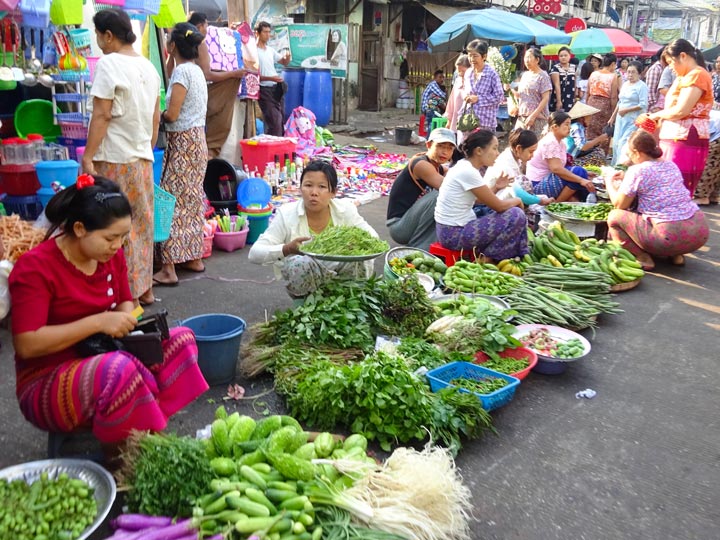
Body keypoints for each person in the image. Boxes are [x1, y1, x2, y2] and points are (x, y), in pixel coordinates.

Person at [7, 176, 209, 448]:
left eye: (123, 237)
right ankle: (137, 449)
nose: (118, 245)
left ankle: (145, 427)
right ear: (79, 229)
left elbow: (127, 304)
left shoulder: (110, 256)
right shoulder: (35, 268)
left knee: (182, 340)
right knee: (119, 370)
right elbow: (27, 343)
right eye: (110, 237)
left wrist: (130, 324)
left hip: (107, 353)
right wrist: (99, 322)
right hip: (47, 381)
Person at [83, 8, 161, 307]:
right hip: (142, 159)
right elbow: (155, 119)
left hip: (114, 158)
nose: (99, 43)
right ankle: (144, 289)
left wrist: (88, 156)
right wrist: (146, 147)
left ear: (109, 35)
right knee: (141, 226)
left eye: (99, 37)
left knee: (113, 229)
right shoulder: (149, 68)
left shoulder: (109, 64)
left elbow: (102, 114)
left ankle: (124, 294)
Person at [248, 161, 379, 298]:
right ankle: (305, 307)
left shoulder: (345, 210)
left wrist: (354, 243)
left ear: (333, 192)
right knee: (299, 263)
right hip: (307, 277)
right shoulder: (286, 214)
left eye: (322, 187)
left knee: (360, 259)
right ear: (300, 188)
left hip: (340, 275)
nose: (314, 193)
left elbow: (373, 239)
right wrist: (287, 249)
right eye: (308, 185)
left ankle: (352, 301)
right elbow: (254, 254)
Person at [153, 23, 209, 286]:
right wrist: (169, 59)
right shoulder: (196, 71)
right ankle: (193, 257)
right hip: (198, 140)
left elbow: (172, 114)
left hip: (182, 141)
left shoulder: (181, 74)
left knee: (170, 201)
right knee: (192, 198)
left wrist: (157, 116)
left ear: (173, 45)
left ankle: (168, 268)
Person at [605, 130, 709, 270]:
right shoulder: (670, 165)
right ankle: (677, 255)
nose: (630, 157)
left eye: (630, 154)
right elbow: (659, 185)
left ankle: (643, 258)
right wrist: (626, 177)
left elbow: (619, 205)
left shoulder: (637, 170)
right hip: (698, 233)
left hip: (668, 236)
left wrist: (608, 182)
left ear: (637, 152)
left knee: (614, 217)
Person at [434, 130, 528, 262]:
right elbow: (499, 206)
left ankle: (501, 254)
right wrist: (518, 200)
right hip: (453, 234)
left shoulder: (465, 166)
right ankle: (487, 259)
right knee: (516, 215)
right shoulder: (468, 171)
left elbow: (477, 200)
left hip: (449, 229)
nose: (497, 153)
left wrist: (496, 187)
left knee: (494, 211)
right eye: (494, 148)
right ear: (479, 151)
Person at [168, 13, 245, 158]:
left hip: (182, 136)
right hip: (190, 134)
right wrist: (233, 74)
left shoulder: (183, 70)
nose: (207, 28)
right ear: (200, 26)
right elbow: (207, 74)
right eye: (206, 25)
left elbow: (169, 74)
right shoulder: (193, 64)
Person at [643, 39, 713, 197]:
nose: (670, 68)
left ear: (682, 56)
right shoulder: (685, 76)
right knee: (667, 185)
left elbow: (681, 110)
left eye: (671, 62)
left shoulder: (698, 75)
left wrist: (655, 115)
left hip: (686, 137)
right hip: (674, 136)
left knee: (677, 188)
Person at [386, 128, 456, 251]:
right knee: (441, 195)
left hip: (412, 224)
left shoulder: (439, 168)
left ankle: (431, 246)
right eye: (440, 146)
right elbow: (450, 188)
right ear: (428, 145)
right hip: (399, 226)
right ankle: (417, 250)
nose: (445, 152)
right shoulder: (421, 164)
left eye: (449, 148)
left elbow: (457, 179)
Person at [526, 111, 596, 202]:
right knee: (578, 172)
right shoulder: (550, 142)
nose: (569, 128)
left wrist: (585, 174)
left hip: (549, 179)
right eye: (566, 124)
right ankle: (556, 203)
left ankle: (584, 201)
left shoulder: (560, 143)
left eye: (570, 124)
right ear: (555, 127)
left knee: (580, 173)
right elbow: (556, 169)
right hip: (537, 185)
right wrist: (581, 180)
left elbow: (562, 167)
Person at [484, 128, 553, 207]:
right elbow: (517, 192)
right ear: (519, 148)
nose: (533, 155)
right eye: (531, 151)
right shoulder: (505, 165)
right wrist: (540, 201)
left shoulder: (516, 159)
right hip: (492, 205)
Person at [609, 61, 648, 166]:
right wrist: (612, 117)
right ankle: (614, 167)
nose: (630, 75)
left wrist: (627, 110)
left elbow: (643, 105)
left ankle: (621, 167)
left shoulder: (641, 86)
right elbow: (620, 101)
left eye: (633, 72)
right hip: (621, 118)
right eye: (629, 72)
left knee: (624, 143)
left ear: (639, 73)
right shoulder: (625, 84)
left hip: (633, 119)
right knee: (616, 143)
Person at [256, 21, 291, 136]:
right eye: (265, 32)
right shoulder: (254, 51)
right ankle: (272, 146)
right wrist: (271, 78)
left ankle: (278, 145)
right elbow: (254, 76)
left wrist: (287, 58)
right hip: (264, 89)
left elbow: (284, 62)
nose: (268, 35)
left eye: (269, 32)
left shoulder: (270, 50)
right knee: (274, 120)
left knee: (280, 119)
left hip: (276, 88)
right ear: (258, 33)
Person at [463, 39, 504, 132]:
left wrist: (478, 99)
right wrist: (466, 97)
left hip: (485, 123)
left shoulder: (491, 74)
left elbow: (499, 97)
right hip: (468, 121)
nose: (472, 59)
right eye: (469, 56)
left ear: (484, 56)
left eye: (475, 56)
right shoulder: (468, 72)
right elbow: (465, 91)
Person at [513, 48, 553, 136]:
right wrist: (510, 90)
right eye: (525, 57)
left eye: (529, 57)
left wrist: (533, 116)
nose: (526, 60)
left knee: (535, 146)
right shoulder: (525, 75)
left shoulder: (543, 76)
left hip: (537, 118)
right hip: (522, 116)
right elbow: (521, 95)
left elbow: (545, 98)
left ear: (537, 60)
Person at [586, 53, 619, 154]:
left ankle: (588, 154)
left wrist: (587, 105)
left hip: (591, 102)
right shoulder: (613, 76)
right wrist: (614, 113)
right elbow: (613, 97)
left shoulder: (593, 74)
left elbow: (588, 92)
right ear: (613, 64)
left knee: (590, 131)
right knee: (604, 132)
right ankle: (601, 155)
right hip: (605, 105)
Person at [565, 101, 608, 168]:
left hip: (571, 157)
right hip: (569, 160)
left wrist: (595, 142)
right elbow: (583, 147)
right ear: (582, 118)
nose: (590, 119)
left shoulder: (577, 126)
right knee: (598, 155)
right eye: (589, 117)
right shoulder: (577, 127)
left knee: (598, 150)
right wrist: (598, 139)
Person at [693, 109, 720, 205]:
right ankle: (713, 195)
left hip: (717, 135)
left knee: (709, 165)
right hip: (716, 132)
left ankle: (701, 197)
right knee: (717, 167)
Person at [444, 54, 470, 133]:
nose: (460, 73)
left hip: (469, 121)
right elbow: (451, 102)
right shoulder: (458, 81)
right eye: (458, 71)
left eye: (463, 71)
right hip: (456, 120)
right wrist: (449, 120)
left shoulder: (473, 82)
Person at [549, 47, 577, 113]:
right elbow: (557, 85)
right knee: (558, 117)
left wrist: (575, 96)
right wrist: (559, 101)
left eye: (565, 55)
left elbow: (574, 82)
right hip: (558, 96)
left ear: (570, 56)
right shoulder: (555, 68)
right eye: (561, 56)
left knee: (569, 116)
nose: (563, 57)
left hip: (570, 96)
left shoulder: (573, 67)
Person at [645, 47, 666, 112]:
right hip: (655, 108)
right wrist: (654, 107)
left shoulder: (663, 68)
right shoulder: (656, 69)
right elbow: (650, 90)